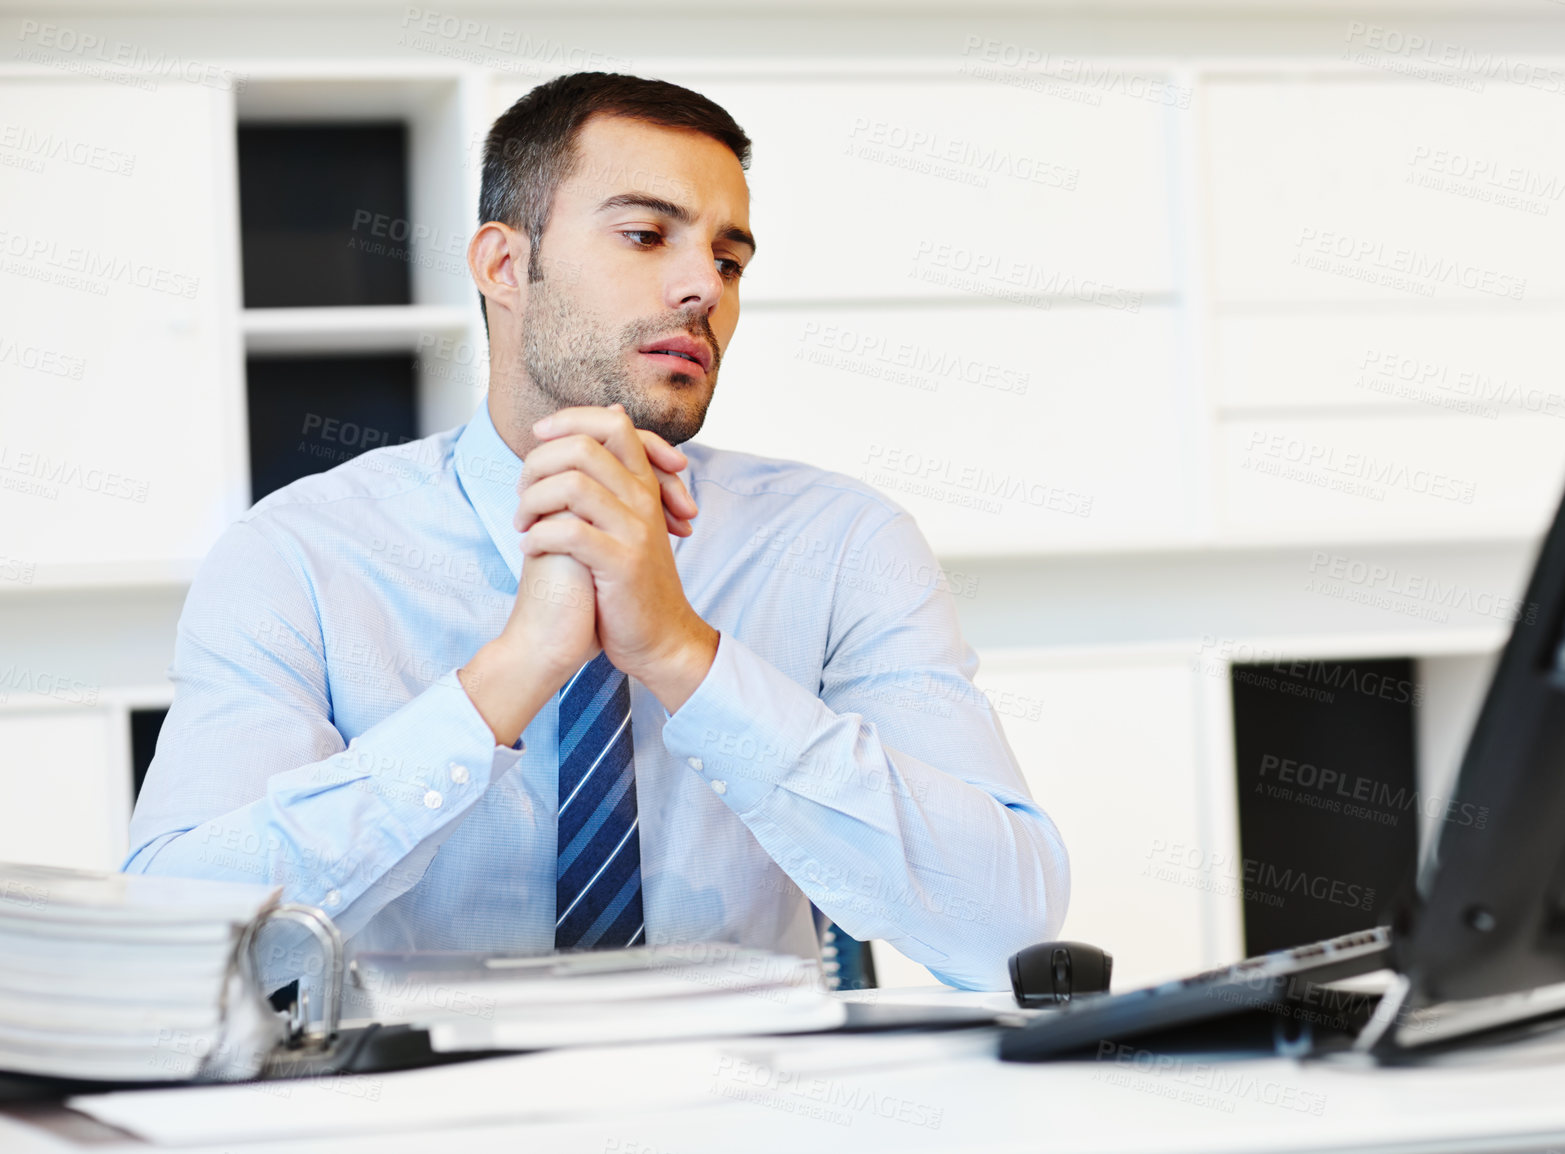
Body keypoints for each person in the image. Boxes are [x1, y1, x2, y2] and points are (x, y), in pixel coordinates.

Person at [125, 72, 1068, 990]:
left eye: (730, 259)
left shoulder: (841, 543)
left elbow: (1004, 936)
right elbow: (176, 956)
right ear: (504, 265)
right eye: (646, 235)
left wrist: (682, 654)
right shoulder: (299, 554)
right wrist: (511, 674)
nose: (704, 285)